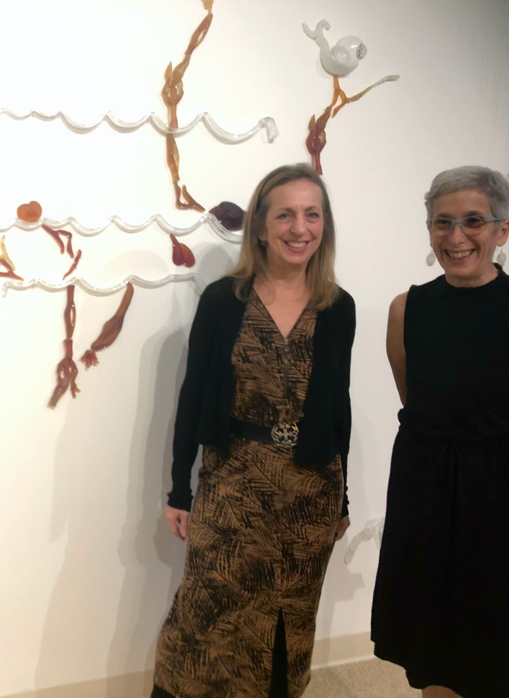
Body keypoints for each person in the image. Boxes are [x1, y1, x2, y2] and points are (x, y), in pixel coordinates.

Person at [151, 163, 356, 698]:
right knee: (205, 618)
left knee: (288, 620)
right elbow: (193, 397)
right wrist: (180, 488)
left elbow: (339, 408)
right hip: (234, 482)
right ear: (261, 226)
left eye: (312, 214)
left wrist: (343, 496)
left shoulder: (339, 307)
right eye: (284, 214)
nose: (299, 227)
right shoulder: (224, 300)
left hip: (312, 491)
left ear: (324, 226)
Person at [371, 165, 509, 698]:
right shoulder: (406, 310)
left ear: (502, 230)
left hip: (500, 512)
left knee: (494, 655)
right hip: (423, 498)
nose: (456, 237)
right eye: (442, 223)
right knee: (431, 651)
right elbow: (419, 403)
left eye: (473, 221)